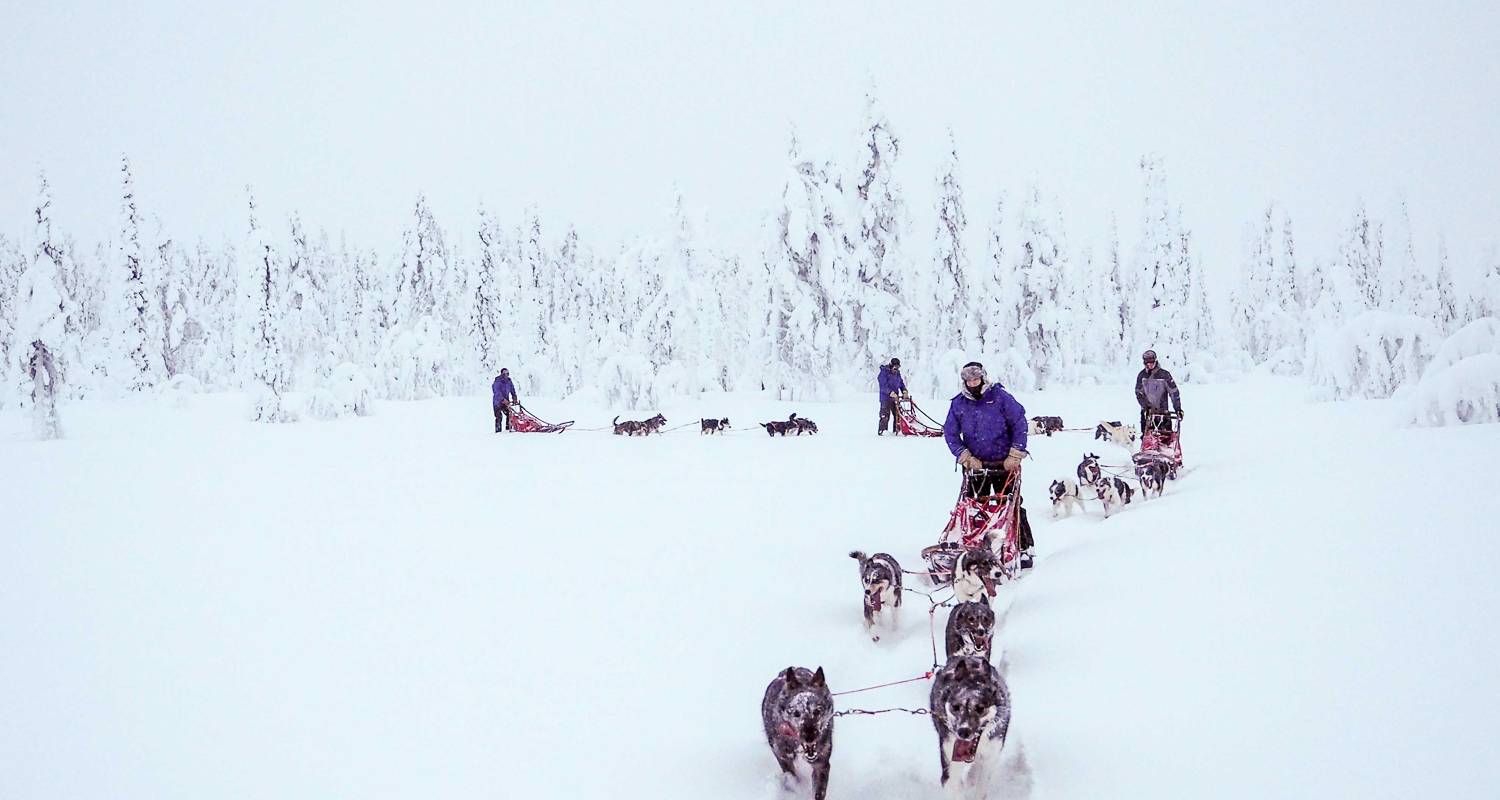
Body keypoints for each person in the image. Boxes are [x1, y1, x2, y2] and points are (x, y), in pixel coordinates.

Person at [942, 361, 1034, 566]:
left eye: (976, 378)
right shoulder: (959, 403)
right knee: (974, 508)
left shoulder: (1000, 397)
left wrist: (1015, 453)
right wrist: (964, 456)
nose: (973, 382)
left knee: (1011, 506)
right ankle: (976, 545)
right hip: (976, 466)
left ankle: (1024, 547)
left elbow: (1019, 422)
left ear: (983, 378)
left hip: (1004, 464)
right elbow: (950, 432)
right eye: (969, 379)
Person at [1134, 350, 1183, 433]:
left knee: (1166, 440)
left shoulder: (1165, 375)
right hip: (1148, 414)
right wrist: (1146, 407)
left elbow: (1174, 393)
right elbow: (1139, 393)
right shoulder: (1142, 376)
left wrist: (1178, 409)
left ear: (1155, 361)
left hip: (1163, 412)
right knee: (1147, 440)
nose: (1149, 364)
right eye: (1146, 363)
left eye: (1151, 362)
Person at [876, 357, 907, 435]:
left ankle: (897, 431)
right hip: (885, 398)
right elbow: (883, 386)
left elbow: (901, 383)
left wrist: (904, 390)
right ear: (891, 366)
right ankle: (883, 432)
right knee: (885, 416)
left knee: (898, 415)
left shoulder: (897, 373)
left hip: (895, 398)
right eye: (895, 367)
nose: (896, 369)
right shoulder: (884, 373)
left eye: (898, 367)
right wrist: (890, 392)